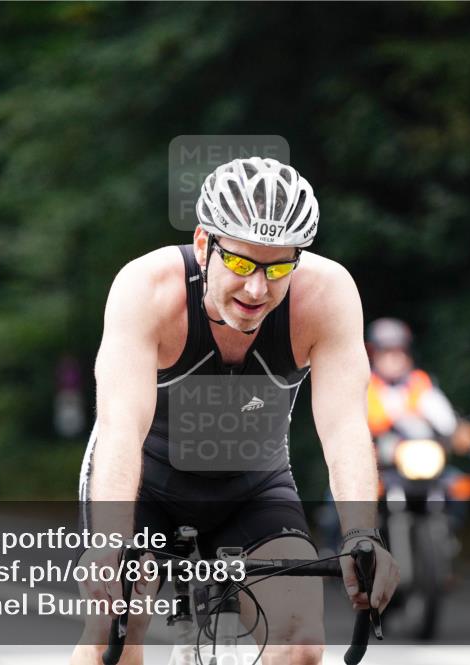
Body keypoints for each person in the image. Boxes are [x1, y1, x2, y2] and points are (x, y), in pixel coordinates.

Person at [73, 157, 399, 665]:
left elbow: (344, 428)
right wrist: (109, 542)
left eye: (279, 268)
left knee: (301, 644)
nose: (256, 290)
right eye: (243, 264)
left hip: (253, 488)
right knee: (115, 634)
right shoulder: (148, 289)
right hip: (147, 485)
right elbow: (120, 427)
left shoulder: (326, 295)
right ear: (204, 244)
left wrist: (362, 535)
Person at [365, 317, 470, 453]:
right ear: (373, 354)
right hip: (382, 456)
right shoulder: (367, 386)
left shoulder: (419, 381)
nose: (395, 358)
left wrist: (456, 431)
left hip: (424, 453)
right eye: (387, 352)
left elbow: (440, 412)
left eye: (400, 351)